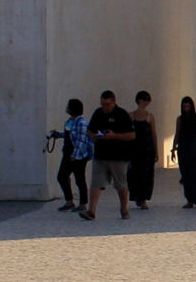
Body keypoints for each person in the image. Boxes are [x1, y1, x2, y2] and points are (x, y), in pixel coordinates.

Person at [83, 90, 136, 220]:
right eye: (103, 104)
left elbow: (132, 135)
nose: (105, 107)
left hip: (118, 156)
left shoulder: (122, 114)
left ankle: (124, 209)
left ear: (114, 102)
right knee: (96, 183)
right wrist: (93, 136)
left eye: (107, 104)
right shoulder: (98, 113)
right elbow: (90, 130)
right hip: (101, 155)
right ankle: (92, 211)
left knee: (120, 184)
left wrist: (114, 136)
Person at [55, 98, 91, 210]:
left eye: (68, 106)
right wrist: (58, 135)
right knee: (62, 176)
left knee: (79, 179)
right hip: (68, 153)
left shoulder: (81, 123)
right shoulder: (70, 121)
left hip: (78, 156)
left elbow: (81, 140)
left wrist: (74, 155)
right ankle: (69, 201)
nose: (66, 107)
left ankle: (83, 204)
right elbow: (70, 135)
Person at [174, 96, 196, 208]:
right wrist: (173, 148)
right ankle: (189, 199)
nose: (186, 108)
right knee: (186, 175)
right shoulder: (180, 119)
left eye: (188, 106)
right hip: (183, 148)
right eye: (184, 106)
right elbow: (177, 134)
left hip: (194, 148)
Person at [128, 91, 160, 209]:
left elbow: (154, 135)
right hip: (135, 150)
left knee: (147, 175)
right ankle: (137, 197)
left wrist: (156, 152)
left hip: (147, 150)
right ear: (139, 100)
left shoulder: (150, 117)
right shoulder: (130, 116)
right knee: (134, 174)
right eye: (145, 99)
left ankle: (143, 199)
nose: (147, 102)